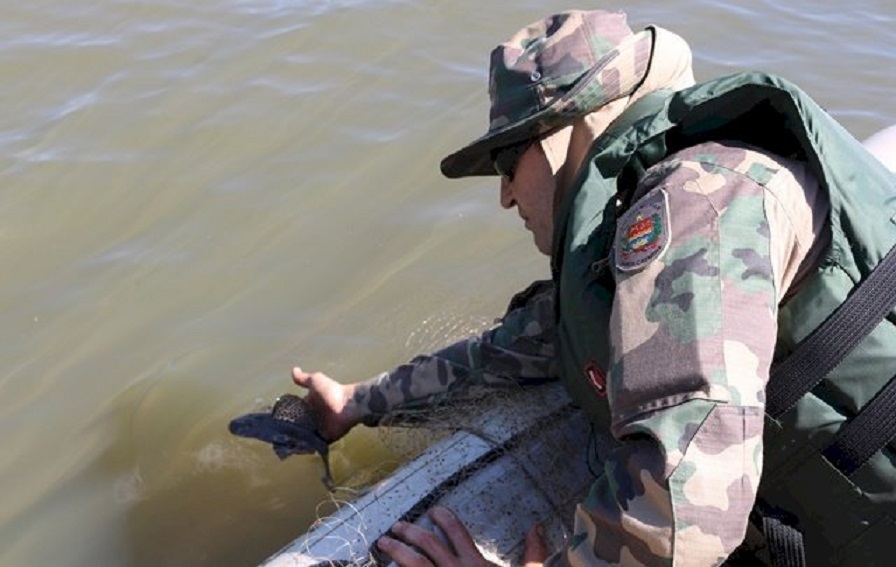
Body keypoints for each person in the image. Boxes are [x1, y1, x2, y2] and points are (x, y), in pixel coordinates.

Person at [293, 9, 896, 566]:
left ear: (565, 132)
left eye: (507, 163)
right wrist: (354, 403)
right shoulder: (640, 220)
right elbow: (519, 347)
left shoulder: (698, 207)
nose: (505, 196)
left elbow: (689, 509)